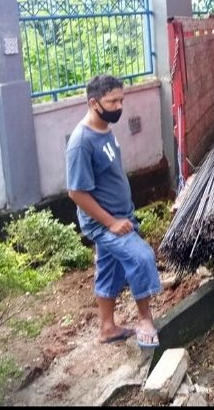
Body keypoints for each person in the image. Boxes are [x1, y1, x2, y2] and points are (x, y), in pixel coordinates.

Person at [66, 74, 162, 347]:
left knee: (109, 269)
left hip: (121, 215)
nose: (119, 106)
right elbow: (76, 193)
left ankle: (107, 328)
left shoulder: (105, 128)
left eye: (121, 99)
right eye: (112, 101)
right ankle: (145, 318)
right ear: (94, 103)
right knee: (141, 256)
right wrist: (110, 223)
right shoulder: (81, 142)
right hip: (105, 223)